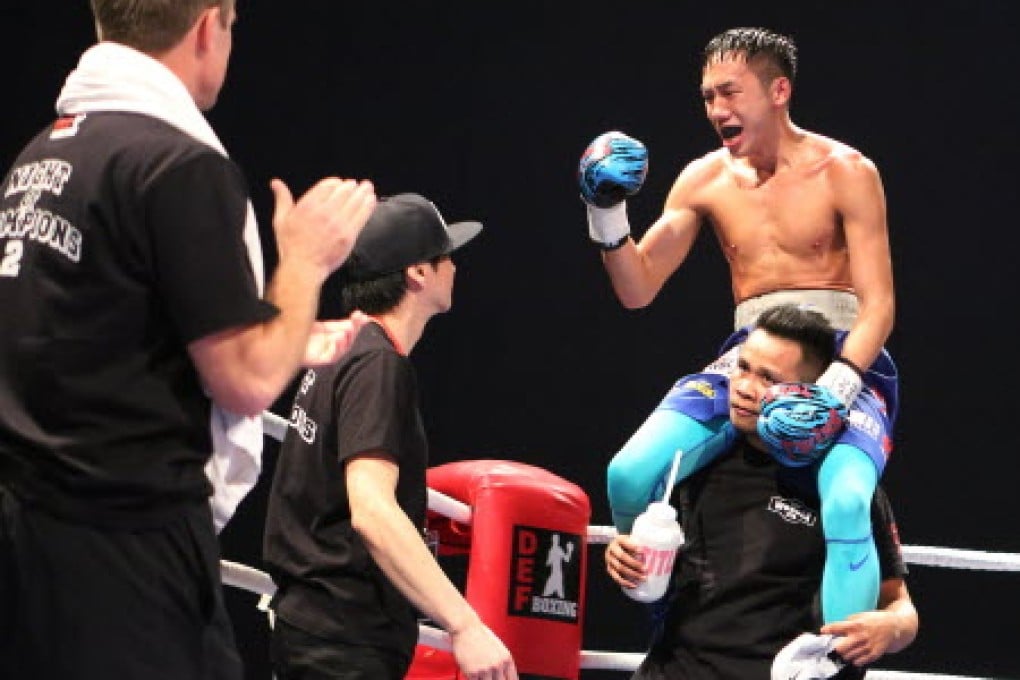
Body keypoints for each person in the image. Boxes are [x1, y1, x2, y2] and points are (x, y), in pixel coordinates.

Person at [0, 1, 376, 678]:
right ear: (210, 26)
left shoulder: (42, 157)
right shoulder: (175, 164)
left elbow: (101, 333)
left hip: (34, 540)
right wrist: (305, 261)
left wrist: (287, 332)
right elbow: (248, 377)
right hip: (127, 550)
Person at [579, 26, 898, 632]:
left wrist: (836, 387)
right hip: (749, 356)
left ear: (779, 90)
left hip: (840, 354)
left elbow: (879, 304)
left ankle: (828, 659)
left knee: (850, 501)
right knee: (628, 473)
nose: (717, 110)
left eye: (730, 93)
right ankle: (655, 588)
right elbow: (636, 288)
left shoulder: (847, 171)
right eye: (707, 97)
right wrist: (606, 212)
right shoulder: (703, 179)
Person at [263, 193, 518, 680]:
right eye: (446, 257)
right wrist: (465, 626)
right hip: (342, 641)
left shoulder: (342, 347)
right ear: (417, 273)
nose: (455, 268)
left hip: (313, 630)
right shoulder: (378, 362)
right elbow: (372, 511)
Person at [604, 304, 918, 680]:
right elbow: (648, 554)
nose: (744, 387)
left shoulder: (844, 487)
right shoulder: (691, 463)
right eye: (743, 367)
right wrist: (622, 552)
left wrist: (891, 629)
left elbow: (900, 608)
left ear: (808, 392)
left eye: (768, 378)